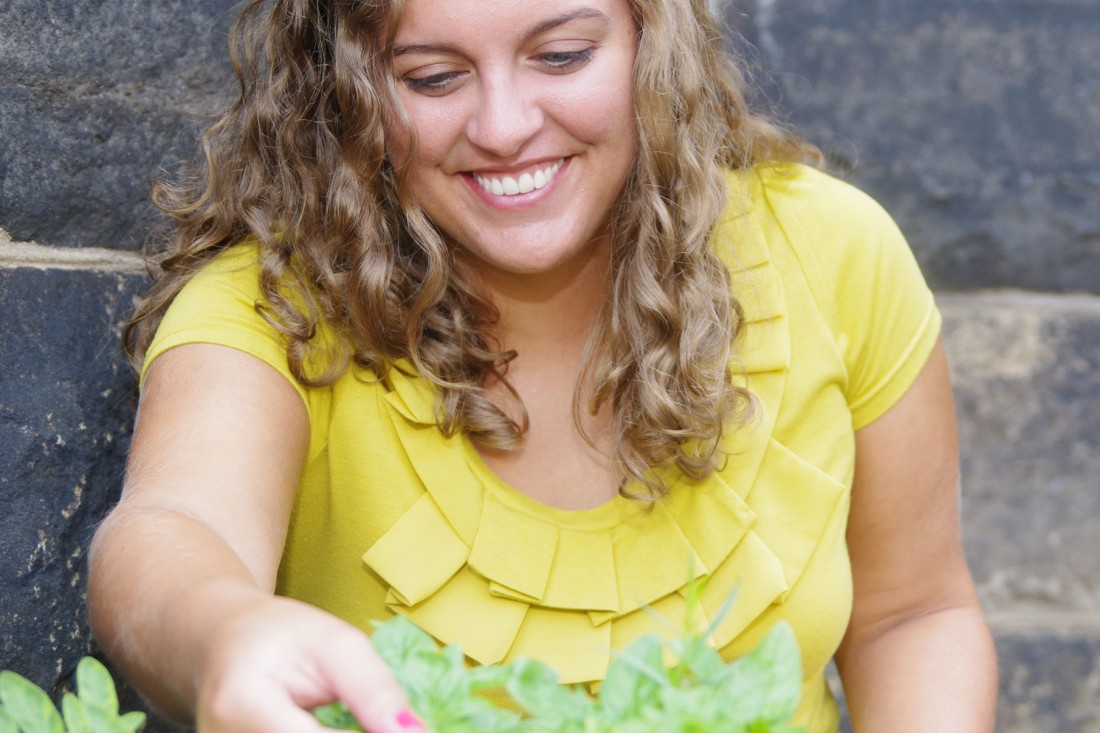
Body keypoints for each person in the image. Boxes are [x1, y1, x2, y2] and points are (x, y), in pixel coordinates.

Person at [86, 0, 998, 730]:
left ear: (653, 35)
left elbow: (910, 615)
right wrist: (223, 632)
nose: (505, 124)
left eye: (561, 56)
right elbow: (166, 533)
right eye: (432, 76)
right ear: (347, 84)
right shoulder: (274, 309)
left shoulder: (832, 253)